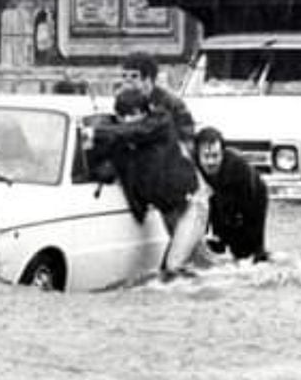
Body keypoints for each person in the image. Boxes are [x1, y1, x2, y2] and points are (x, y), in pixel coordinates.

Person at [89, 87, 209, 278]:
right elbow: (105, 170)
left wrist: (99, 130)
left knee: (174, 266)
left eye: (126, 116)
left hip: (192, 204)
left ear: (140, 113)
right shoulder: (127, 141)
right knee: (201, 263)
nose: (123, 122)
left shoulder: (160, 123)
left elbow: (136, 130)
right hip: (171, 210)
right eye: (119, 117)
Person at [193, 126, 269, 263]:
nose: (211, 162)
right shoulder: (191, 166)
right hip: (216, 192)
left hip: (253, 194)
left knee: (246, 246)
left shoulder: (238, 168)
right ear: (198, 156)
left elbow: (245, 212)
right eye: (206, 157)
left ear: (223, 154)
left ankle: (258, 257)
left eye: (215, 156)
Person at [120, 51, 195, 150]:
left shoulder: (172, 105)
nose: (127, 82)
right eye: (124, 76)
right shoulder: (122, 104)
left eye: (134, 76)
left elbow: (187, 141)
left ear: (148, 79)